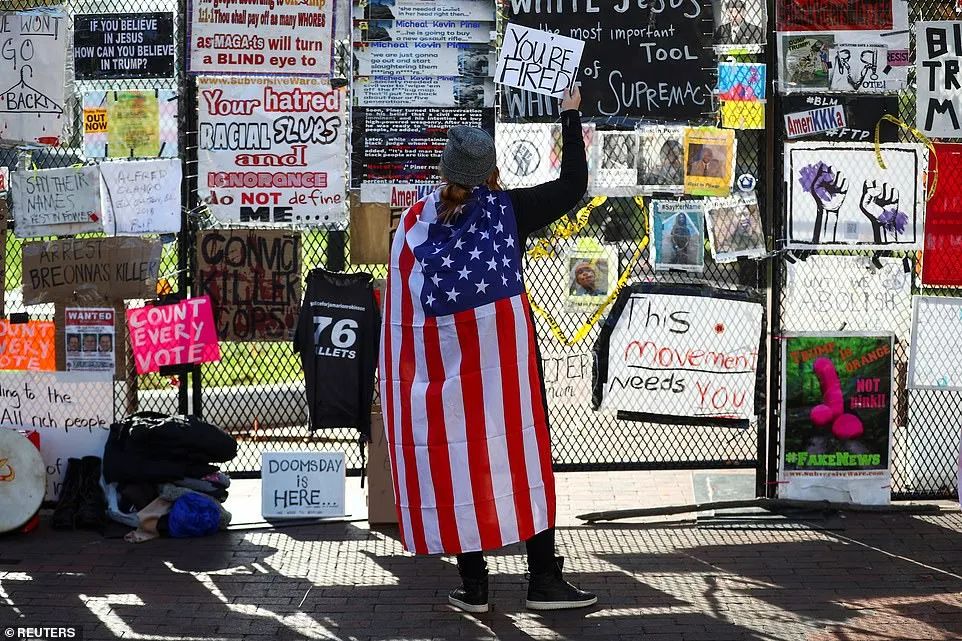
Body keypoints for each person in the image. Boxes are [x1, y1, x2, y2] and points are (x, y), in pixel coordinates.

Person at [380, 86, 596, 614]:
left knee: (459, 464)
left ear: (443, 169)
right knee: (520, 458)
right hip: (506, 372)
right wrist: (569, 117)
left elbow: (403, 308)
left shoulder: (413, 224)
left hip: (443, 374)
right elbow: (574, 185)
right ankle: (542, 578)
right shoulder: (510, 211)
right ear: (492, 174)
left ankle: (475, 586)